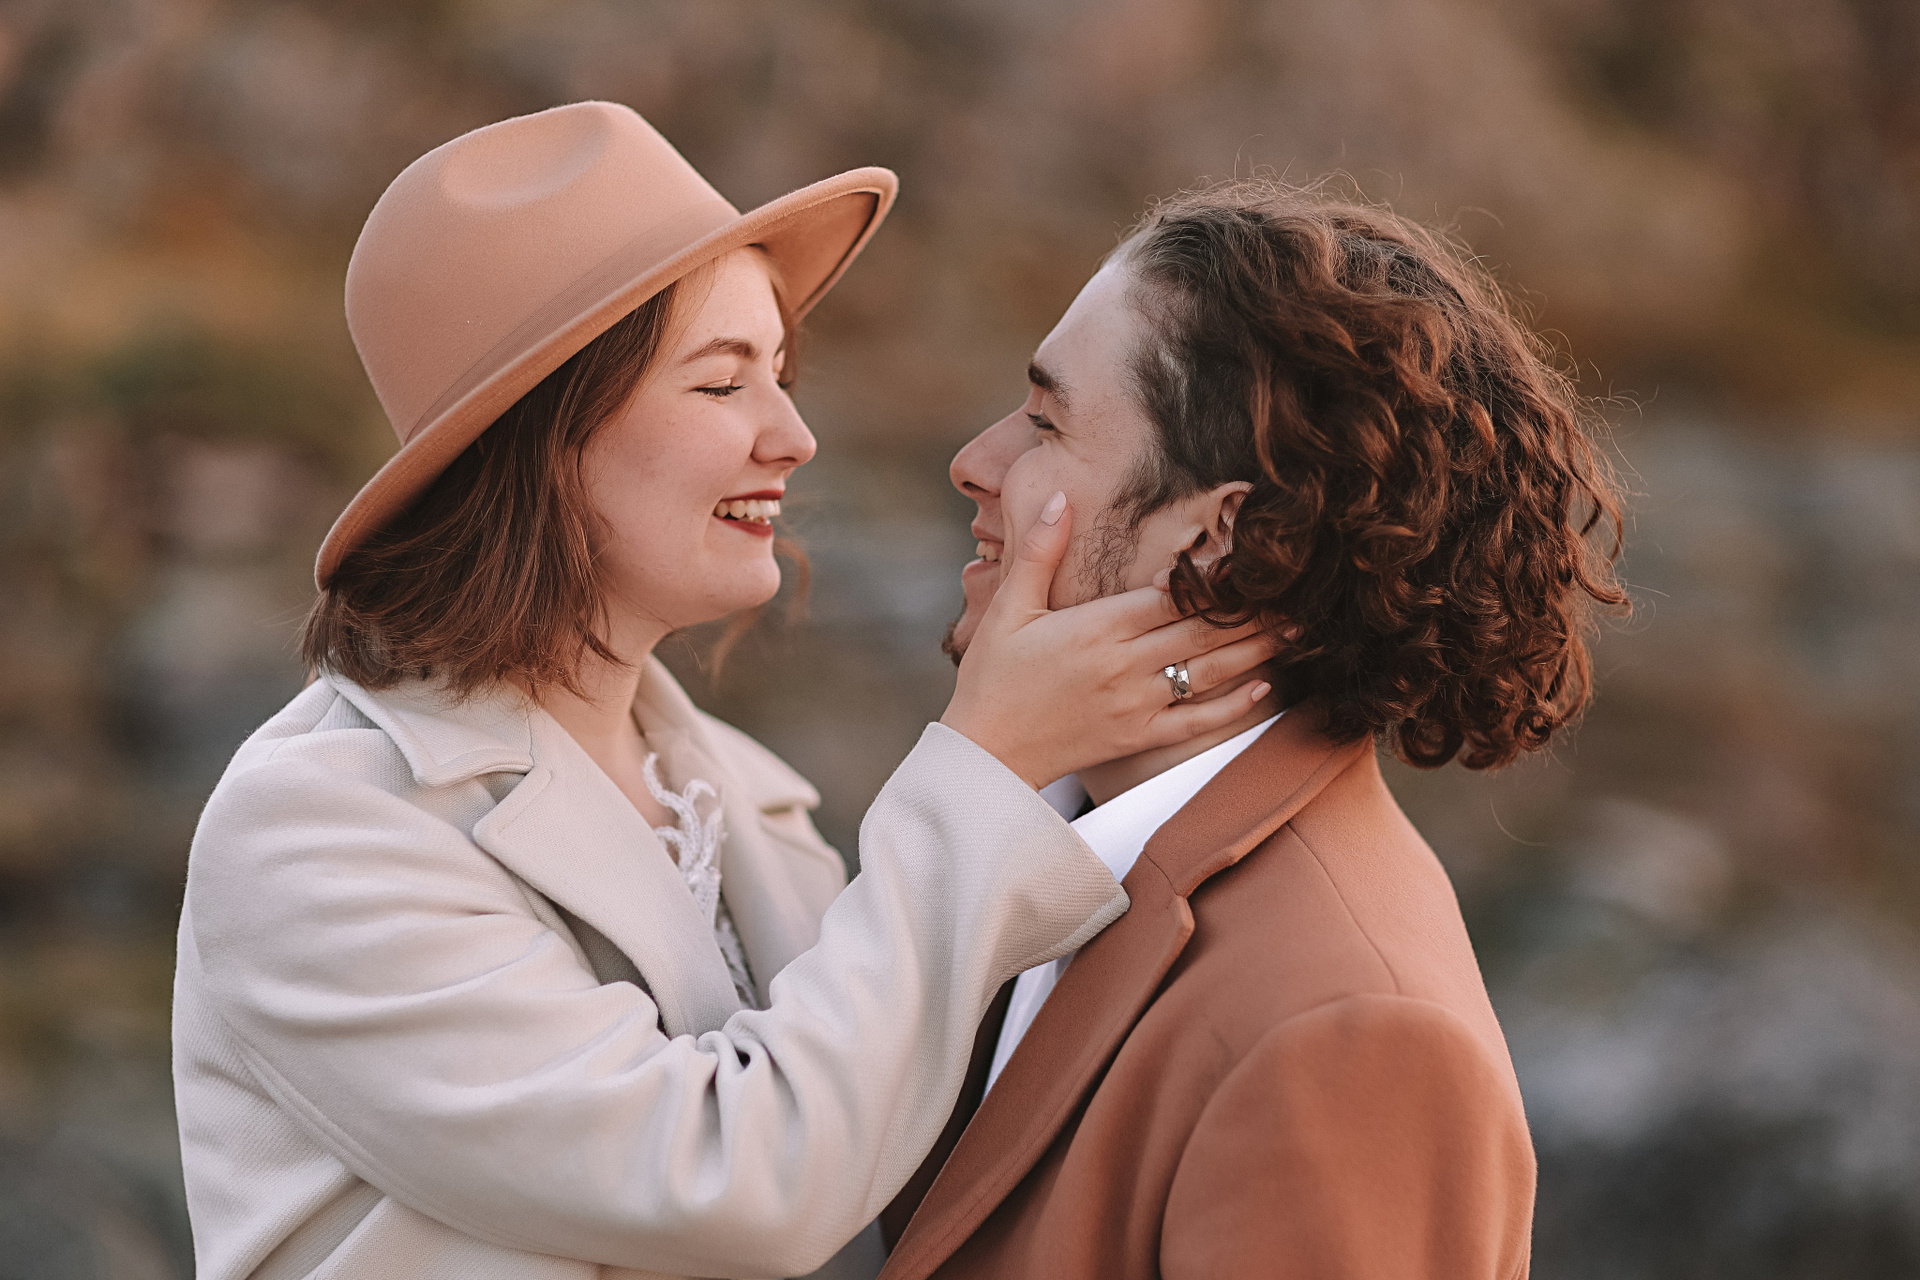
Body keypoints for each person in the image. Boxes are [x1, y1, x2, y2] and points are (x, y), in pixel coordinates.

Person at [169, 103, 1278, 1280]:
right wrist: (993, 761)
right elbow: (736, 1183)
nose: (793, 434)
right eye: (720, 384)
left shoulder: (751, 803)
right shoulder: (320, 830)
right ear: (541, 436)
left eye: (782, 375)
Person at [880, 180, 1628, 1279]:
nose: (975, 461)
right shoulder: (1043, 831)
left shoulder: (1355, 1036)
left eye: (1045, 423)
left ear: (1216, 534)